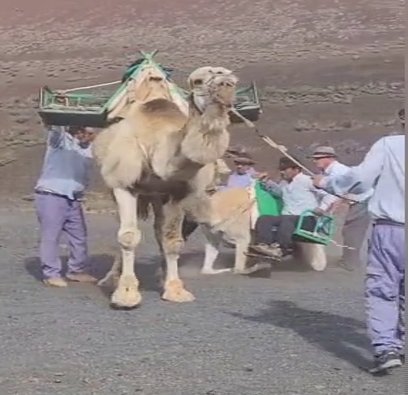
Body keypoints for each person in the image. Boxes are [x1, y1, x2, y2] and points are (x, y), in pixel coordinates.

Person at [313, 127, 405, 373]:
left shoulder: (389, 144)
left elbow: (361, 178)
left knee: (384, 288)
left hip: (392, 229)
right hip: (391, 227)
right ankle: (397, 342)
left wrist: (327, 182)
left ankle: (387, 348)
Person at [34, 125, 97, 287]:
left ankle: (76, 270)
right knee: (51, 235)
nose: (90, 136)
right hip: (51, 195)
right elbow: (55, 128)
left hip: (74, 199)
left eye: (91, 134)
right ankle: (51, 274)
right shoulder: (60, 141)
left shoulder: (86, 150)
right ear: (78, 131)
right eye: (87, 133)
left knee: (79, 235)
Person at [250, 156, 334, 258]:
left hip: (307, 219)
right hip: (288, 218)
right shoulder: (284, 183)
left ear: (296, 169)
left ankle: (281, 248)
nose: (282, 172)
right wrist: (265, 182)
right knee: (264, 219)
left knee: (287, 220)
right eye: (281, 170)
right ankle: (263, 245)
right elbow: (278, 192)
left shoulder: (307, 180)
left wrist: (322, 208)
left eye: (285, 169)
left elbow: (330, 194)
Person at [309, 146, 372, 271]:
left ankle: (350, 263)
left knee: (353, 232)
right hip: (357, 201)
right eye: (314, 159)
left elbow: (335, 192)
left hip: (363, 201)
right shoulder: (327, 173)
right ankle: (349, 260)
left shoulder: (338, 171)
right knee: (349, 231)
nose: (315, 161)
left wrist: (322, 208)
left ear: (330, 158)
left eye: (318, 158)